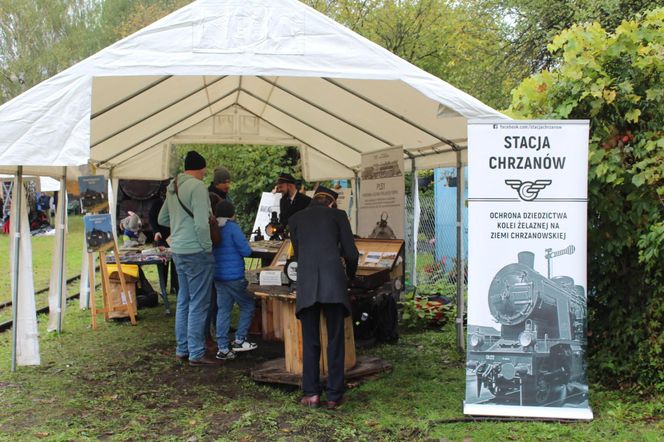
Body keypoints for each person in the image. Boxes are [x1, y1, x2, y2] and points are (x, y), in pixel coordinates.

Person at [288, 186, 359, 409]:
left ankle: (311, 393)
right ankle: (334, 396)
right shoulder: (338, 216)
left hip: (307, 283)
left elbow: (298, 253)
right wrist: (350, 276)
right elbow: (351, 253)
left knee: (310, 340)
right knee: (335, 340)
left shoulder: (295, 218)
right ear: (331, 203)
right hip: (334, 284)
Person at [158, 150, 220, 366]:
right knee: (199, 303)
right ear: (201, 169)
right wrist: (207, 247)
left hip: (178, 251)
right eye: (204, 171)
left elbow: (162, 218)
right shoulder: (197, 187)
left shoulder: (173, 186)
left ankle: (182, 349)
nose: (204, 174)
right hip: (196, 251)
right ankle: (196, 353)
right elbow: (202, 224)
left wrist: (179, 226)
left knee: (184, 300)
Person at [212, 200, 257, 360]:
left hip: (218, 276)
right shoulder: (232, 228)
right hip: (234, 276)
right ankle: (240, 340)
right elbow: (246, 251)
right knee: (248, 305)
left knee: (223, 310)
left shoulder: (213, 227)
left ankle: (223, 348)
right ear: (232, 214)